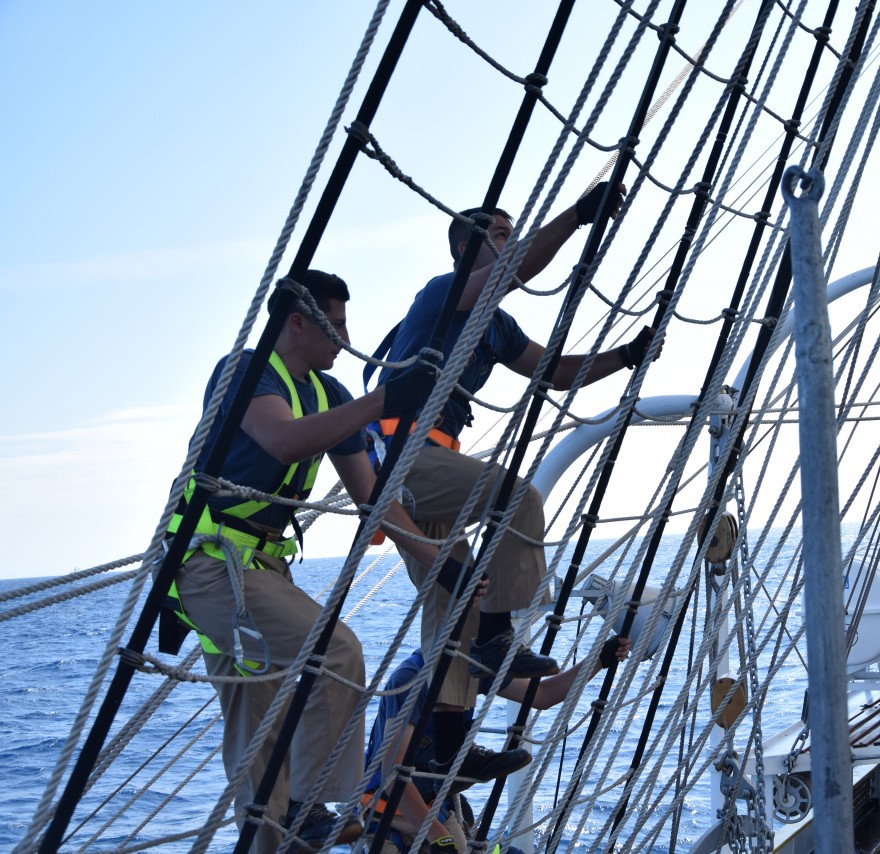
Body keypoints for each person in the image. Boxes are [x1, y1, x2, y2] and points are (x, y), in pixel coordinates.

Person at [374, 188, 660, 780]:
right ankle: (498, 634)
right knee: (517, 498)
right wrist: (577, 216)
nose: (511, 243)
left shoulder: (497, 326)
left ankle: (450, 748)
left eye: (512, 234)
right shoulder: (442, 294)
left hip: (431, 466)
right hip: (405, 457)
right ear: (464, 249)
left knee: (453, 603)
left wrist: (627, 354)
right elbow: (512, 271)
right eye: (501, 235)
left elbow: (555, 371)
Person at [167, 270, 447, 852]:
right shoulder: (245, 371)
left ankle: (281, 834)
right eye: (335, 326)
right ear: (298, 322)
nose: (346, 340)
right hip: (211, 565)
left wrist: (438, 559)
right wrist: (383, 400)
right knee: (336, 651)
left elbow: (373, 496)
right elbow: (282, 439)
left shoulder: (331, 395)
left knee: (258, 732)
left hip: (262, 568)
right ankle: (306, 805)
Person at [361, 634, 631, 852]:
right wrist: (440, 837)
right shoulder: (411, 679)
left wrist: (599, 659)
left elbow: (542, 695)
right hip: (386, 812)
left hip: (435, 806)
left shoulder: (472, 668)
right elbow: (393, 776)